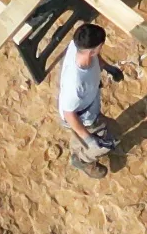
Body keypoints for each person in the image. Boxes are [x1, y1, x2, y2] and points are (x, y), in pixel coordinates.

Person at [50, 12, 123, 169]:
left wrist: (108, 68)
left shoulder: (79, 47)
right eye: (100, 46)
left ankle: (84, 145)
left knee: (111, 132)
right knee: (108, 138)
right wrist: (89, 139)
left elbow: (97, 58)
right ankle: (82, 160)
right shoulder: (75, 84)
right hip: (83, 116)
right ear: (93, 50)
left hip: (90, 101)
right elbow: (69, 113)